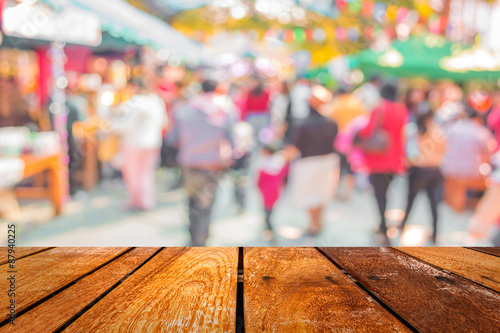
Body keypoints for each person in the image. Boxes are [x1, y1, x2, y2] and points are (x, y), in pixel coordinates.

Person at [168, 80, 237, 246]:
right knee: (205, 206)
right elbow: (232, 138)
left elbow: (172, 138)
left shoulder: (185, 108)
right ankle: (200, 240)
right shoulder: (225, 108)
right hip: (211, 164)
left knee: (192, 201)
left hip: (189, 163)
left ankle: (194, 236)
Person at [357, 82, 408, 245]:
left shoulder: (379, 109)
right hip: (395, 159)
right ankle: (381, 226)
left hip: (379, 159)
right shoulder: (401, 109)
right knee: (385, 194)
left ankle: (384, 230)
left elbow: (368, 130)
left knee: (380, 196)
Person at [286, 85, 339, 235]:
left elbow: (294, 148)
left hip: (308, 164)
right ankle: (317, 222)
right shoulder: (331, 123)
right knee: (321, 194)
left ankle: (314, 223)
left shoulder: (303, 124)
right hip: (328, 162)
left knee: (310, 195)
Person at [111, 79, 168, 210]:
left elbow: (124, 126)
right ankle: (147, 201)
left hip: (134, 143)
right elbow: (164, 123)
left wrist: (112, 123)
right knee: (147, 172)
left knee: (133, 173)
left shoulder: (133, 104)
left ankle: (136, 201)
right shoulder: (157, 102)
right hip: (153, 142)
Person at [400, 104, 446, 244]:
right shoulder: (439, 131)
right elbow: (445, 149)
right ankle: (436, 232)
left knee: (410, 200)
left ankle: (403, 225)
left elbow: (408, 151)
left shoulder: (413, 130)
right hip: (435, 170)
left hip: (419, 170)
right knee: (433, 203)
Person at [440, 106, 497, 212]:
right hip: (471, 173)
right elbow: (491, 151)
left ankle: (453, 205)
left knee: (456, 180)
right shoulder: (480, 131)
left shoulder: (451, 128)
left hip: (448, 170)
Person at [327, 87, 366, 201]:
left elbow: (330, 121)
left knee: (336, 167)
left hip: (339, 141)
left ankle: (333, 191)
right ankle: (347, 194)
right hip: (353, 143)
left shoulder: (336, 104)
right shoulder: (357, 103)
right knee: (351, 169)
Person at [257, 143, 288, 238]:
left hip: (267, 190)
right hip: (275, 190)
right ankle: (268, 226)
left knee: (267, 211)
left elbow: (260, 179)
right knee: (269, 210)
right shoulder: (280, 163)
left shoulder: (265, 164)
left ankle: (269, 228)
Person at [240, 75, 270, 144]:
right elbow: (247, 105)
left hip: (261, 116)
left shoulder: (265, 93)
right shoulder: (251, 92)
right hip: (253, 116)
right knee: (252, 135)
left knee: (262, 135)